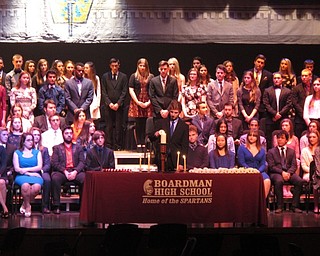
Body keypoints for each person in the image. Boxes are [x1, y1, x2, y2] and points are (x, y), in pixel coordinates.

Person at [267, 130, 304, 213]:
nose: (280, 140)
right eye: (278, 138)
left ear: (286, 140)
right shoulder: (271, 151)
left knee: (299, 181)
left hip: (288, 172)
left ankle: (294, 206)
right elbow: (271, 166)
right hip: (276, 173)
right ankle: (280, 206)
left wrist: (289, 173)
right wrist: (282, 172)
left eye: (282, 138)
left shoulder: (291, 151)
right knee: (279, 181)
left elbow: (294, 165)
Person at [51, 126, 85, 214]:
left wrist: (75, 171)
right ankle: (56, 206)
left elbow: (82, 162)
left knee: (85, 179)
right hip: (62, 171)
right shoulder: (57, 148)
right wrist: (64, 171)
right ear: (63, 135)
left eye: (70, 133)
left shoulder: (78, 147)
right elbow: (54, 163)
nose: (69, 135)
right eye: (66, 133)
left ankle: (83, 206)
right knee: (55, 178)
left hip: (75, 171)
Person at [152, 100, 188, 172]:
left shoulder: (184, 126)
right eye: (171, 112)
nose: (173, 115)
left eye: (175, 113)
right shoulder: (161, 122)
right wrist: (156, 134)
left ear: (180, 112)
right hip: (162, 158)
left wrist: (181, 163)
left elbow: (184, 146)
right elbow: (151, 137)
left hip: (176, 159)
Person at [13, 132, 43, 217]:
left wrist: (26, 170)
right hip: (21, 176)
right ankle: (28, 207)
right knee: (25, 186)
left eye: (32, 140)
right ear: (23, 142)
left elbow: (39, 167)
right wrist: (29, 174)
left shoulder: (37, 152)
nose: (31, 142)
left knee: (36, 187)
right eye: (28, 140)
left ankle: (24, 204)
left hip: (36, 175)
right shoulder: (17, 153)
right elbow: (17, 168)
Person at [101, 58, 128, 150]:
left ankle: (118, 145)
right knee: (108, 126)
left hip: (119, 107)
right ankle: (109, 145)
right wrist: (109, 103)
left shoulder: (123, 77)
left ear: (119, 66)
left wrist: (118, 103)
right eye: (112, 66)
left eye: (116, 66)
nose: (114, 68)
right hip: (108, 106)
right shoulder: (105, 76)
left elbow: (124, 91)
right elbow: (104, 91)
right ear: (110, 66)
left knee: (118, 127)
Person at [128, 58, 153, 148]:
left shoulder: (151, 76)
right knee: (138, 123)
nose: (142, 67)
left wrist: (148, 102)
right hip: (137, 101)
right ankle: (139, 143)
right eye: (140, 65)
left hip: (148, 101)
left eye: (144, 66)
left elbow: (153, 91)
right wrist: (138, 102)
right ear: (138, 66)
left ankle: (145, 143)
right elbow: (131, 89)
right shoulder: (133, 76)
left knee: (147, 123)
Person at [263, 72, 292, 149]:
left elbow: (288, 104)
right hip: (270, 119)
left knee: (283, 138)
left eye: (278, 78)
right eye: (275, 78)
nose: (276, 80)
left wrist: (280, 114)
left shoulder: (288, 91)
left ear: (282, 79)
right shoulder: (267, 90)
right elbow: (266, 104)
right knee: (270, 139)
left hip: (283, 119)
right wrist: (275, 114)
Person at [238, 130, 270, 198]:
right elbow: (241, 162)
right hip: (246, 171)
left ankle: (262, 204)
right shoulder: (242, 148)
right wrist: (250, 170)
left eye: (254, 136)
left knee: (267, 181)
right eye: (250, 135)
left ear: (257, 138)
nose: (251, 137)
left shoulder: (262, 150)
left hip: (259, 171)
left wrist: (258, 171)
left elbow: (263, 164)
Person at [30, 127, 51, 214]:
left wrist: (41, 170)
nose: (37, 137)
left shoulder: (44, 149)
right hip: (29, 171)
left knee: (47, 179)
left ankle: (45, 206)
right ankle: (26, 204)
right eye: (34, 135)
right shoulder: (26, 148)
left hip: (41, 171)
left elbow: (47, 164)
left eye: (38, 135)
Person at [249, 54, 273, 118]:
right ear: (254, 62)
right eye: (258, 62)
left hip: (262, 105)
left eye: (262, 63)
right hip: (250, 104)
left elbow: (270, 90)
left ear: (264, 65)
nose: (260, 64)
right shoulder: (248, 73)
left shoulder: (268, 75)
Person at [292, 68, 314, 138]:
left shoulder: (315, 87)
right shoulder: (297, 88)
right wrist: (303, 114)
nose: (303, 78)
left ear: (310, 76)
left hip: (312, 117)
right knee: (299, 137)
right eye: (302, 76)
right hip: (300, 118)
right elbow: (295, 103)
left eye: (305, 76)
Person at [0, 128, 12, 218]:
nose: (6, 137)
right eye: (3, 135)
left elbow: (4, 164)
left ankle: (2, 209)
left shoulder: (2, 149)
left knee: (2, 182)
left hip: (1, 173)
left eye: (6, 135)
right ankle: (4, 208)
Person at [313, 143, 320, 213]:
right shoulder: (318, 150)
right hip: (318, 173)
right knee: (317, 181)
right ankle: (316, 205)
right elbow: (317, 165)